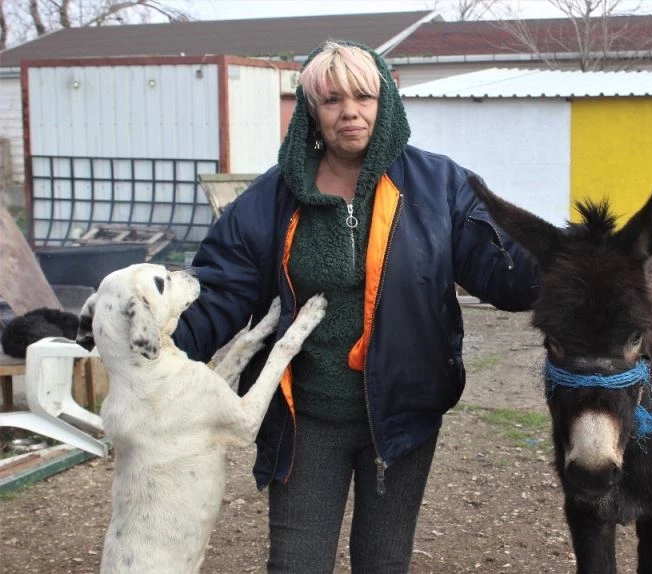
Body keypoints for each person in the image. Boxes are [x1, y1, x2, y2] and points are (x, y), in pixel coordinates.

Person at [173, 40, 540, 573]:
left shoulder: (438, 185)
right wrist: (156, 339)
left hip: (402, 416)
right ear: (311, 111)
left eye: (364, 97)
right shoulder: (271, 199)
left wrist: (572, 264)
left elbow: (501, 270)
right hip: (305, 418)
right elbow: (222, 290)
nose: (350, 112)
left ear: (384, 101)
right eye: (332, 100)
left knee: (383, 562)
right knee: (296, 565)